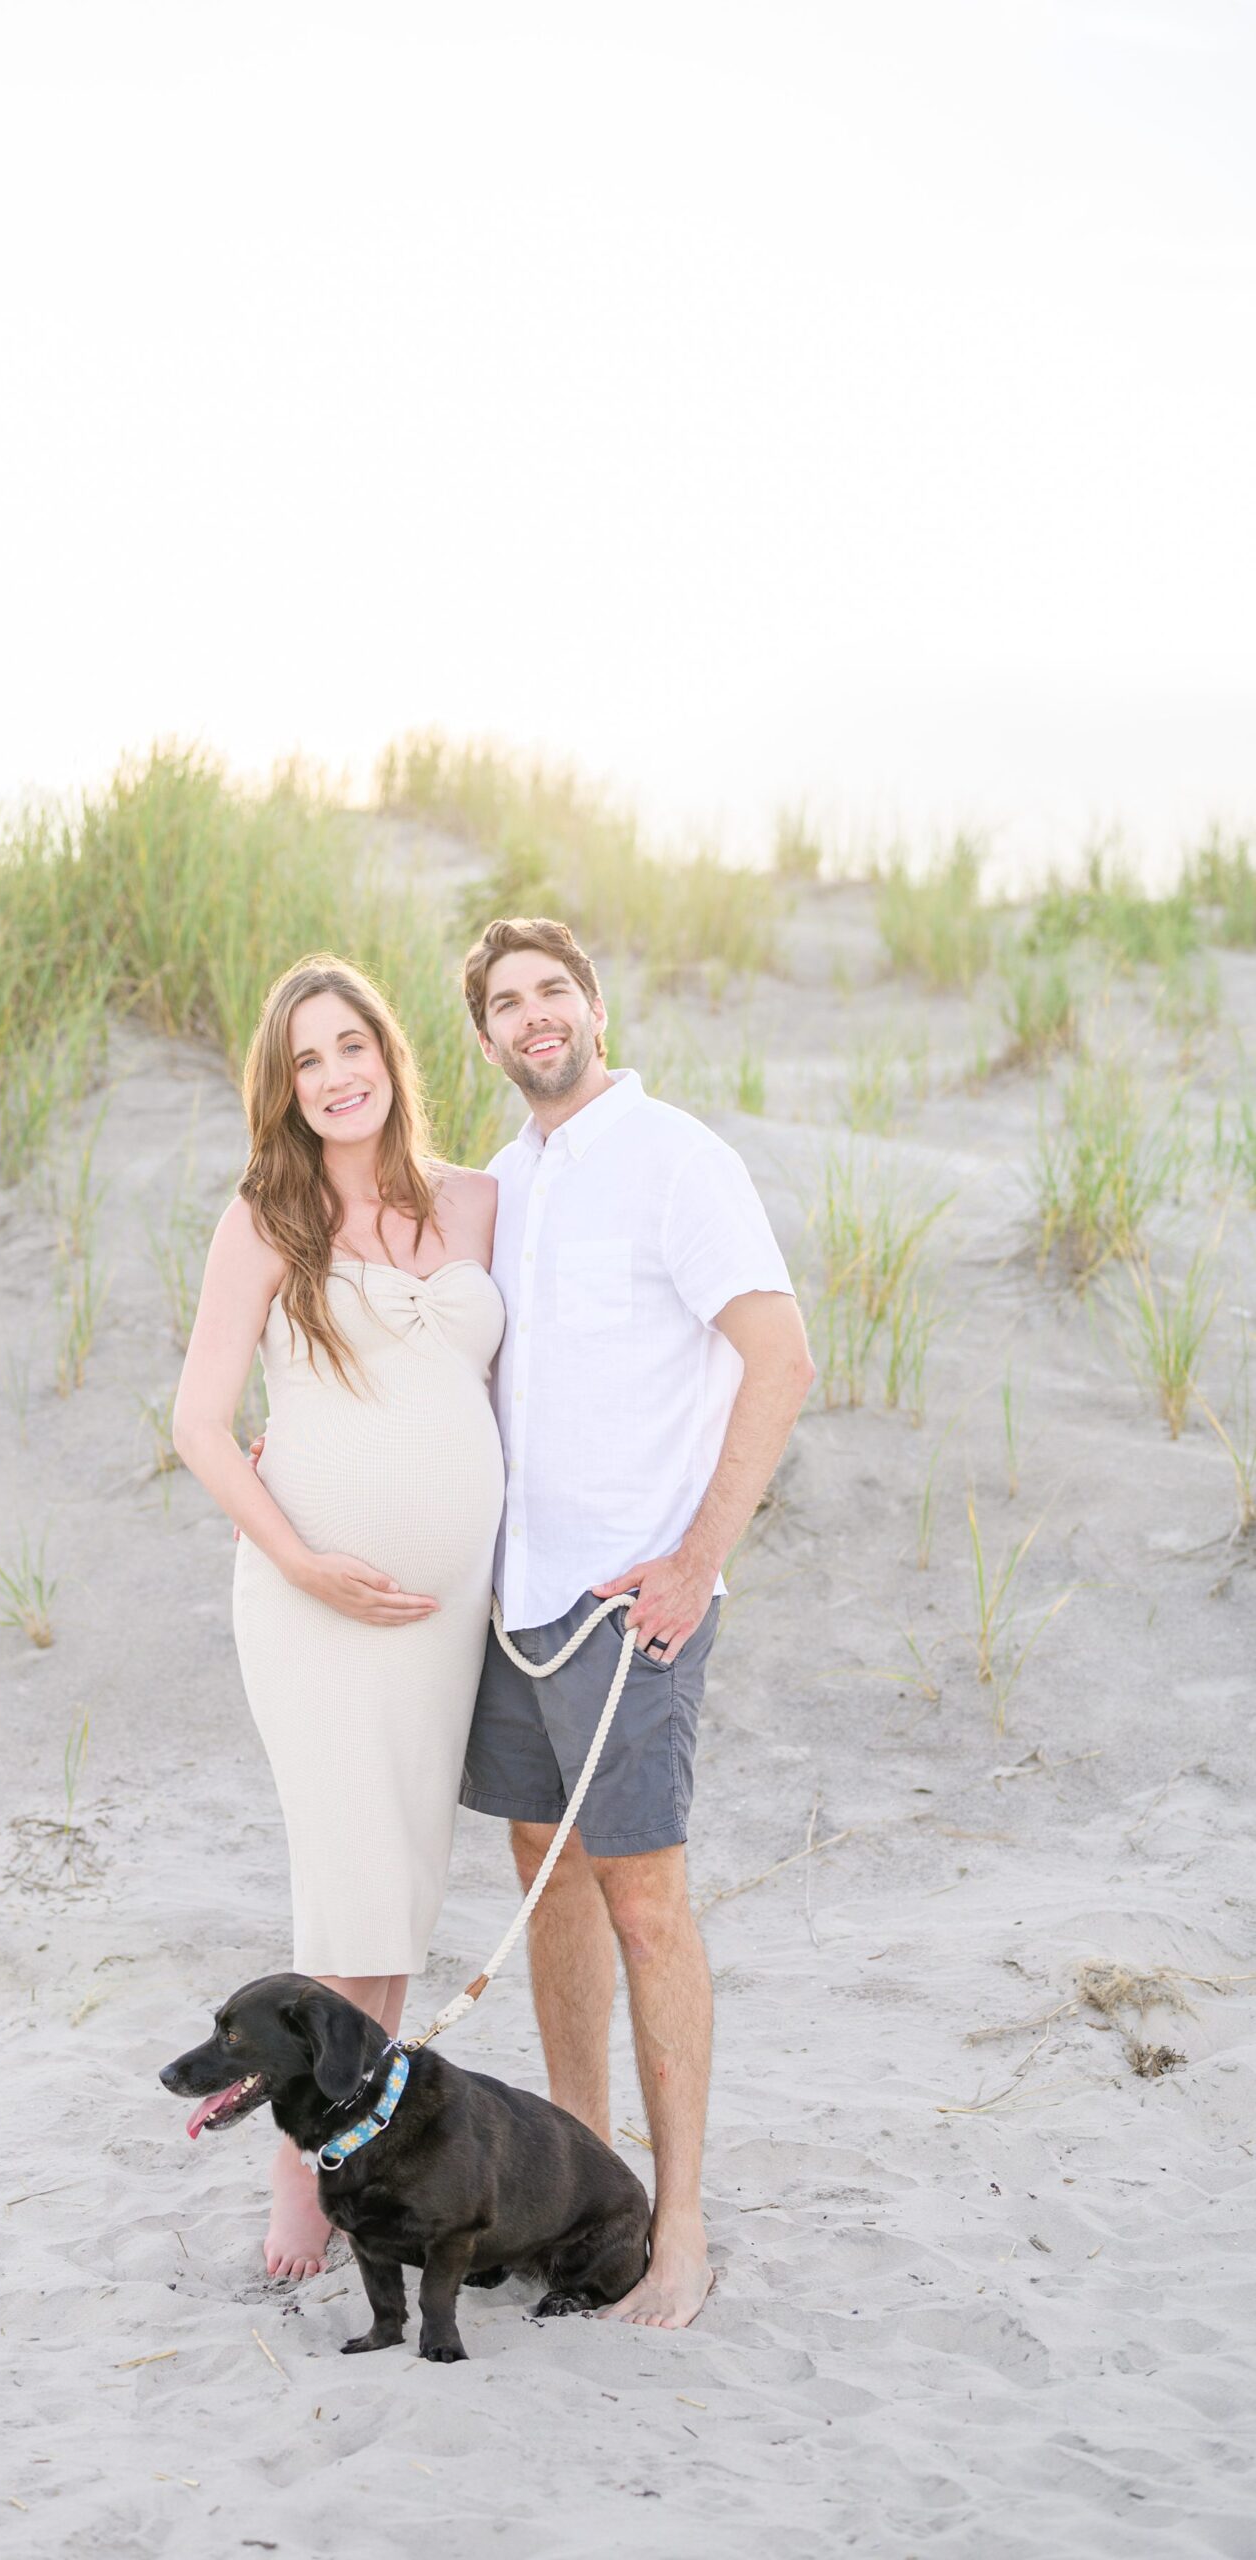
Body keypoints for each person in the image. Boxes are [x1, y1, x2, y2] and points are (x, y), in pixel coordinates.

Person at [458, 916, 815, 2330]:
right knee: (544, 1881)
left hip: (629, 1602)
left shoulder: (678, 1161)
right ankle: (572, 2187)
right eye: (506, 1002)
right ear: (483, 1038)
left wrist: (694, 1559)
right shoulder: (499, 1182)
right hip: (517, 1592)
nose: (534, 1016)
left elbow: (778, 1356)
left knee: (644, 1900)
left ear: (597, 1008)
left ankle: (679, 2230)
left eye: (555, 991)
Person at [172, 954, 505, 2282]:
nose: (334, 1074)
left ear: (391, 1053)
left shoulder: (482, 1200)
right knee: (347, 1890)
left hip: (445, 1615)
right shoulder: (269, 1214)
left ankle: (342, 2152)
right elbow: (201, 1425)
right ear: (284, 1086)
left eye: (350, 1044)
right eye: (306, 1059)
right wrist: (307, 1562)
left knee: (400, 1898)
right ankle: (296, 2184)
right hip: (312, 1611)